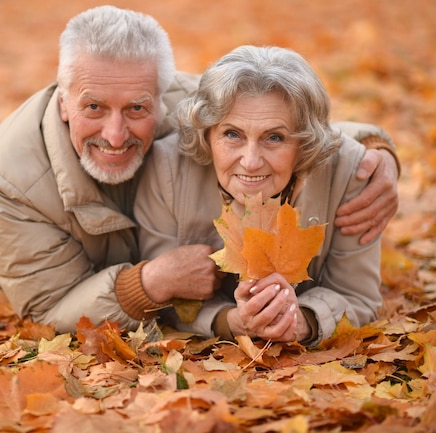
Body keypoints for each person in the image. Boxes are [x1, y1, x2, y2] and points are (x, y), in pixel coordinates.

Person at [0, 5, 398, 335]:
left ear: (165, 101)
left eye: (137, 108)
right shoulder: (9, 181)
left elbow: (280, 111)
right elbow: (49, 306)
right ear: (63, 100)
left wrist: (377, 152)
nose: (116, 135)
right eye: (93, 107)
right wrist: (149, 284)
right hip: (62, 274)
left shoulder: (194, 102)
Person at [135, 45, 385, 346]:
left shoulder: (349, 170)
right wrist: (231, 322)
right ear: (207, 133)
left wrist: (303, 321)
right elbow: (164, 297)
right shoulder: (166, 167)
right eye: (232, 134)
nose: (251, 161)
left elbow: (358, 295)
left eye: (274, 137)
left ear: (304, 143)